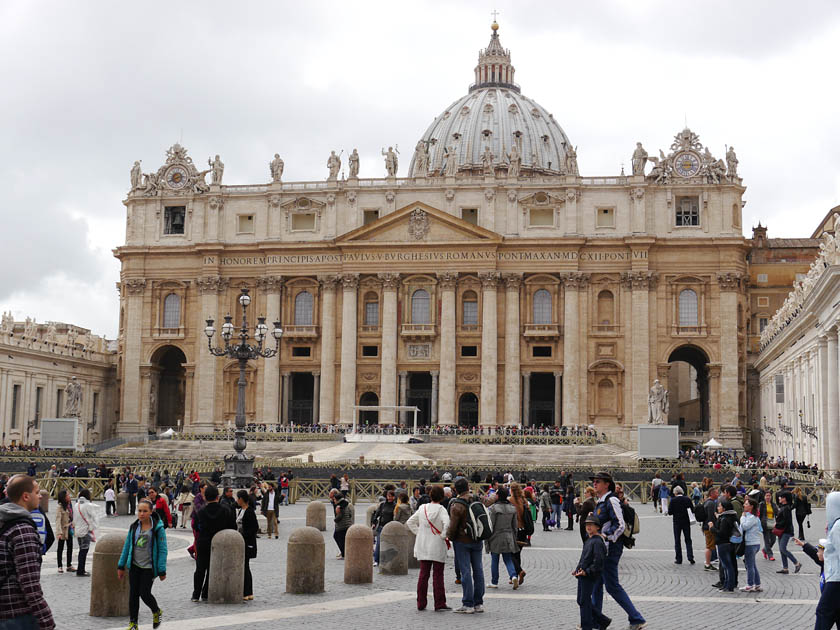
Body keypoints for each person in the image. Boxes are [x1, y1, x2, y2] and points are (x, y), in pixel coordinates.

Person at [589, 471, 646, 629]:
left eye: (598, 481)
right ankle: (596, 620)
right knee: (596, 584)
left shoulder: (611, 499)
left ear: (607, 484)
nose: (595, 483)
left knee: (612, 586)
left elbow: (619, 525)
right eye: (594, 481)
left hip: (610, 549)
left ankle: (636, 618)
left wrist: (605, 537)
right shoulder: (601, 501)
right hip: (602, 549)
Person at [0, 475, 55, 629]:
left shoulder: (4, 521)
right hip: (17, 614)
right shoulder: (23, 531)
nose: (40, 496)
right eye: (37, 492)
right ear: (25, 496)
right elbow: (29, 584)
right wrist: (46, 619)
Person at [117, 499, 166, 630]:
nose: (142, 514)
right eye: (139, 511)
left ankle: (156, 611)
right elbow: (127, 546)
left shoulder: (157, 528)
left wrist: (161, 570)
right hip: (134, 566)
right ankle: (133, 623)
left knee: (144, 593)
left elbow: (162, 549)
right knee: (133, 595)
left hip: (148, 567)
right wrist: (121, 565)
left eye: (145, 511)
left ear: (151, 512)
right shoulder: (134, 527)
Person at [405, 485, 450, 611]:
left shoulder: (422, 508)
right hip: (437, 545)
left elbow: (410, 522)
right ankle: (439, 603)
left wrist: (419, 532)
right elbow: (447, 524)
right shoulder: (441, 510)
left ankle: (421, 603)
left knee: (423, 575)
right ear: (442, 497)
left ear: (430, 495)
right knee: (438, 576)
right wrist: (442, 535)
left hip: (423, 545)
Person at [446, 476, 485, 614]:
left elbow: (453, 526)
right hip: (477, 539)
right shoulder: (476, 498)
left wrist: (448, 538)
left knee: (466, 571)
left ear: (456, 489)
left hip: (462, 541)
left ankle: (468, 603)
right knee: (478, 570)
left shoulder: (457, 505)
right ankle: (478, 603)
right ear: (468, 486)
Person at [192, 485, 236, 601]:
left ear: (205, 497)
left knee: (200, 569)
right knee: (213, 568)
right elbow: (232, 526)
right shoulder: (225, 510)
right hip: (219, 542)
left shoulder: (200, 511)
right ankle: (206, 592)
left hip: (203, 542)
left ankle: (196, 594)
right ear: (217, 496)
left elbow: (196, 526)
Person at [574, 514, 611, 630]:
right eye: (587, 525)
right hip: (582, 573)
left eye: (591, 525)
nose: (588, 527)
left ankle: (587, 626)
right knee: (581, 600)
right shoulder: (589, 540)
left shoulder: (598, 542)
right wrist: (577, 569)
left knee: (584, 601)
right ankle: (603, 620)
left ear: (597, 527)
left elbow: (598, 561)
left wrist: (587, 572)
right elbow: (584, 557)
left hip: (589, 575)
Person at [814, 491, 840, 629]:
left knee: (823, 612)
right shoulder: (835, 526)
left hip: (836, 579)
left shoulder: (838, 526)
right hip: (836, 578)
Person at [486, 487, 519, 589]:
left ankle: (494, 581)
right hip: (508, 535)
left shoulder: (493, 508)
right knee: (508, 559)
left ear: (498, 496)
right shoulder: (512, 508)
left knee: (495, 559)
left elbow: (491, 525)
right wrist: (514, 537)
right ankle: (513, 575)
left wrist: (487, 539)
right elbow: (515, 526)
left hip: (496, 536)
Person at [708, 499, 738, 592]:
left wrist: (712, 527)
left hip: (723, 544)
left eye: (720, 506)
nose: (718, 508)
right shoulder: (731, 517)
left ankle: (729, 586)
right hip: (730, 543)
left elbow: (721, 533)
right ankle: (727, 584)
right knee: (729, 565)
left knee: (727, 566)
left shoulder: (725, 519)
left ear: (724, 508)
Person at [236, 490, 257, 601]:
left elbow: (254, 528)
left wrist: (244, 536)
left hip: (247, 543)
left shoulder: (249, 511)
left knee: (245, 567)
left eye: (237, 498)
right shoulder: (241, 510)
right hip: (241, 542)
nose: (236, 500)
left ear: (241, 499)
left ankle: (248, 592)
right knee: (244, 567)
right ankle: (246, 591)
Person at [72, 488, 100, 577]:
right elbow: (95, 513)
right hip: (85, 530)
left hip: (78, 530)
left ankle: (81, 569)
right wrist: (93, 527)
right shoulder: (88, 505)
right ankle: (81, 570)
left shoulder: (76, 505)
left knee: (81, 549)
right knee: (84, 550)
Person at [775, 492, 802, 574]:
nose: (779, 498)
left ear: (785, 499)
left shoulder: (786, 508)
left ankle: (796, 563)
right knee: (781, 549)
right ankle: (785, 568)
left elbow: (787, 521)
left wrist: (777, 525)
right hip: (782, 531)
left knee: (783, 548)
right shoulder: (783, 507)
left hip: (785, 531)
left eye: (781, 497)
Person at [739, 498, 762, 592]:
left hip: (751, 543)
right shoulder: (752, 516)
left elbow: (745, 526)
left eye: (746, 504)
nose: (744, 505)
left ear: (751, 506)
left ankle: (750, 584)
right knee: (752, 564)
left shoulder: (752, 517)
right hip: (753, 542)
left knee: (749, 565)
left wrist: (742, 517)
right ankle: (757, 583)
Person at [668, 486, 695, 564]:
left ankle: (679, 559)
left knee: (677, 540)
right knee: (688, 539)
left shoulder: (673, 500)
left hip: (677, 522)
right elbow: (692, 510)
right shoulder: (687, 499)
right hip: (686, 521)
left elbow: (670, 512)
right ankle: (690, 557)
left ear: (675, 492)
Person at [371, 486, 396, 566]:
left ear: (394, 497)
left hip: (390, 527)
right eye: (388, 496)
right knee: (378, 544)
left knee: (389, 544)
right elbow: (377, 514)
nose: (389, 498)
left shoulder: (395, 506)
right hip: (381, 526)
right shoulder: (382, 505)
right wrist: (374, 522)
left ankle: (388, 560)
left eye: (391, 496)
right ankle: (376, 560)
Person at [55, 489, 75, 573]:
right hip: (63, 530)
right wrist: (59, 532)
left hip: (69, 528)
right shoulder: (59, 507)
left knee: (70, 547)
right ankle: (59, 566)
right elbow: (57, 520)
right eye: (67, 495)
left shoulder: (69, 505)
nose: (69, 496)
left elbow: (72, 516)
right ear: (63, 497)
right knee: (60, 548)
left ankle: (69, 565)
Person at [330, 489, 352, 559]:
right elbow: (350, 514)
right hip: (347, 524)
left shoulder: (340, 506)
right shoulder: (345, 504)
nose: (334, 501)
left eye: (334, 499)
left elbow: (339, 516)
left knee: (339, 539)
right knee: (341, 539)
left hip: (342, 526)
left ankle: (344, 554)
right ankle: (344, 553)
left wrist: (335, 520)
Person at [758, 490, 777, 561]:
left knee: (773, 540)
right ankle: (770, 555)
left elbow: (777, 513)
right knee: (767, 541)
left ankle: (765, 550)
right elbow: (759, 514)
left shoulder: (773, 504)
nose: (768, 497)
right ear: (764, 497)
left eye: (769, 496)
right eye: (767, 496)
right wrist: (759, 524)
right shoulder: (762, 504)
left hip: (772, 523)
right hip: (765, 523)